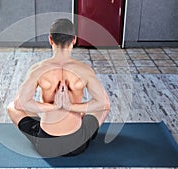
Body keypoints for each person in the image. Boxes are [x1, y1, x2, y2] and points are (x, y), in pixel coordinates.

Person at [7, 18, 110, 157]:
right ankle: (78, 118)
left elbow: (20, 103)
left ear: (50, 40)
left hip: (47, 146)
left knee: (11, 107)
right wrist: (71, 107)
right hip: (77, 144)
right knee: (102, 107)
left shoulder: (38, 69)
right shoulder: (84, 70)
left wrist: (53, 107)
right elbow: (104, 103)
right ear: (74, 40)